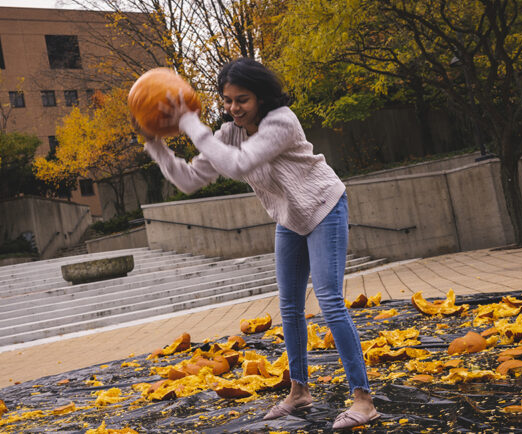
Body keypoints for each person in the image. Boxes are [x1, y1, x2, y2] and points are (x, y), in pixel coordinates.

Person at [135, 58, 380, 430]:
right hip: (290, 218)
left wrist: (188, 122)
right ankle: (299, 391)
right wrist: (156, 144)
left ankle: (363, 400)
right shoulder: (230, 131)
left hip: (324, 206)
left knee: (329, 300)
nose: (233, 108)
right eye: (228, 100)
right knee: (290, 306)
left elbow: (237, 165)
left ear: (262, 98)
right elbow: (189, 179)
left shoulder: (281, 122)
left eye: (242, 99)